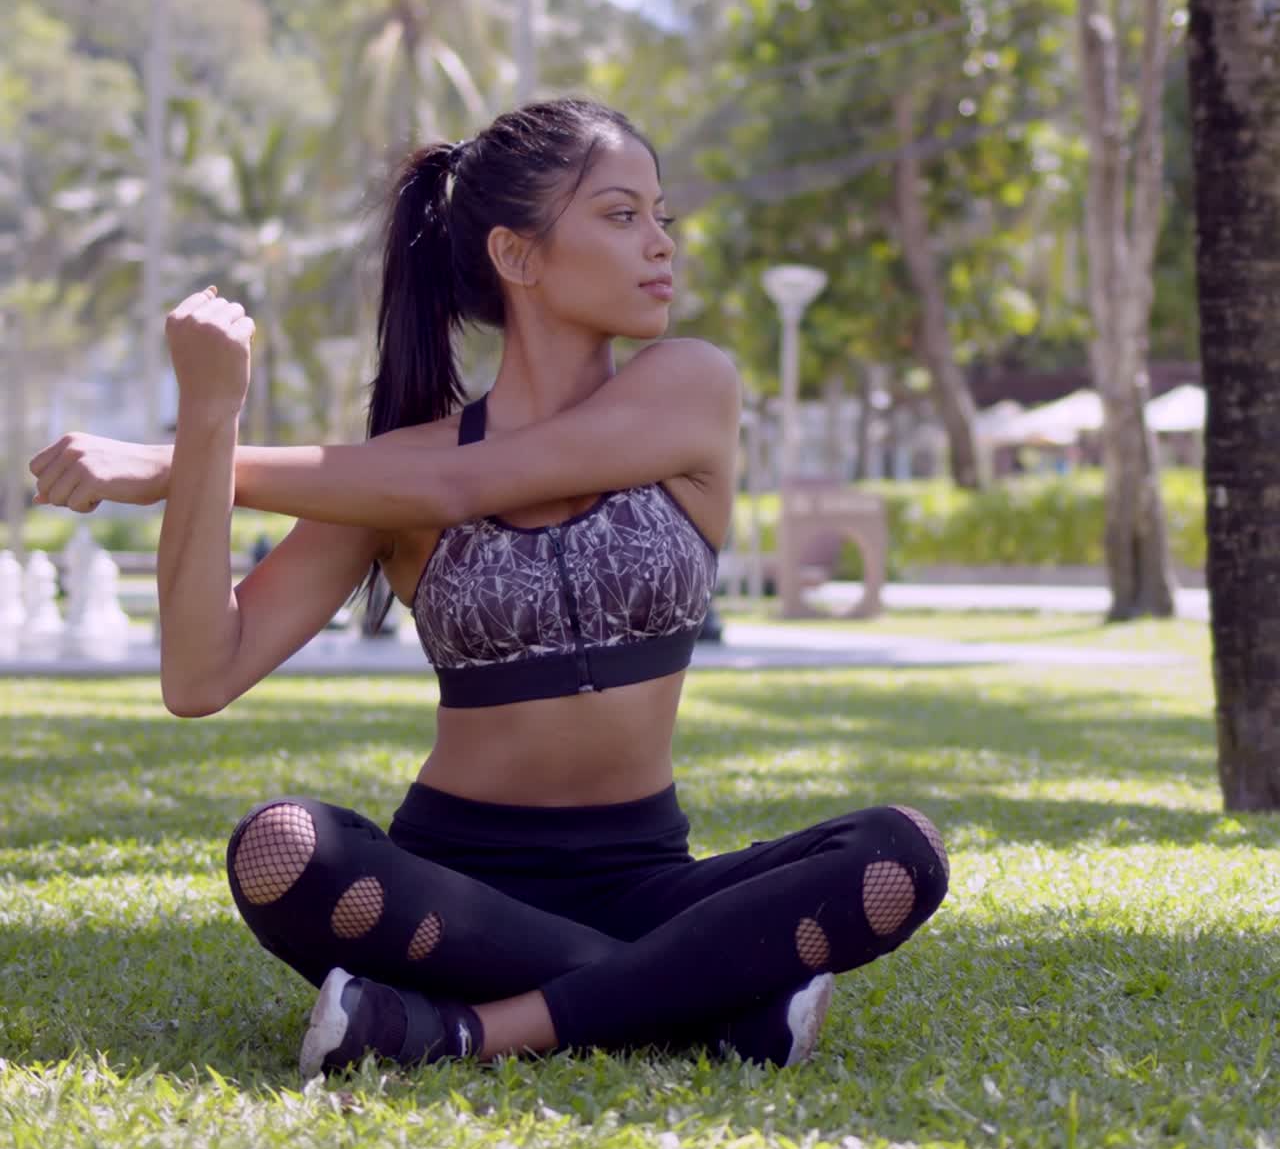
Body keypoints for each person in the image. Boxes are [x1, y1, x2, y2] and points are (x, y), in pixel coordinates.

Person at [28, 98, 948, 1077]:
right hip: (455, 890)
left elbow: (470, 481)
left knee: (899, 852)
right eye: (620, 214)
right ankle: (702, 1002)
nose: (660, 246)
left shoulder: (688, 386)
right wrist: (209, 419)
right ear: (518, 257)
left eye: (660, 216)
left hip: (645, 876)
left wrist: (160, 461)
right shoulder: (391, 476)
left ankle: (460, 1030)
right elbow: (198, 674)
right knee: (280, 846)